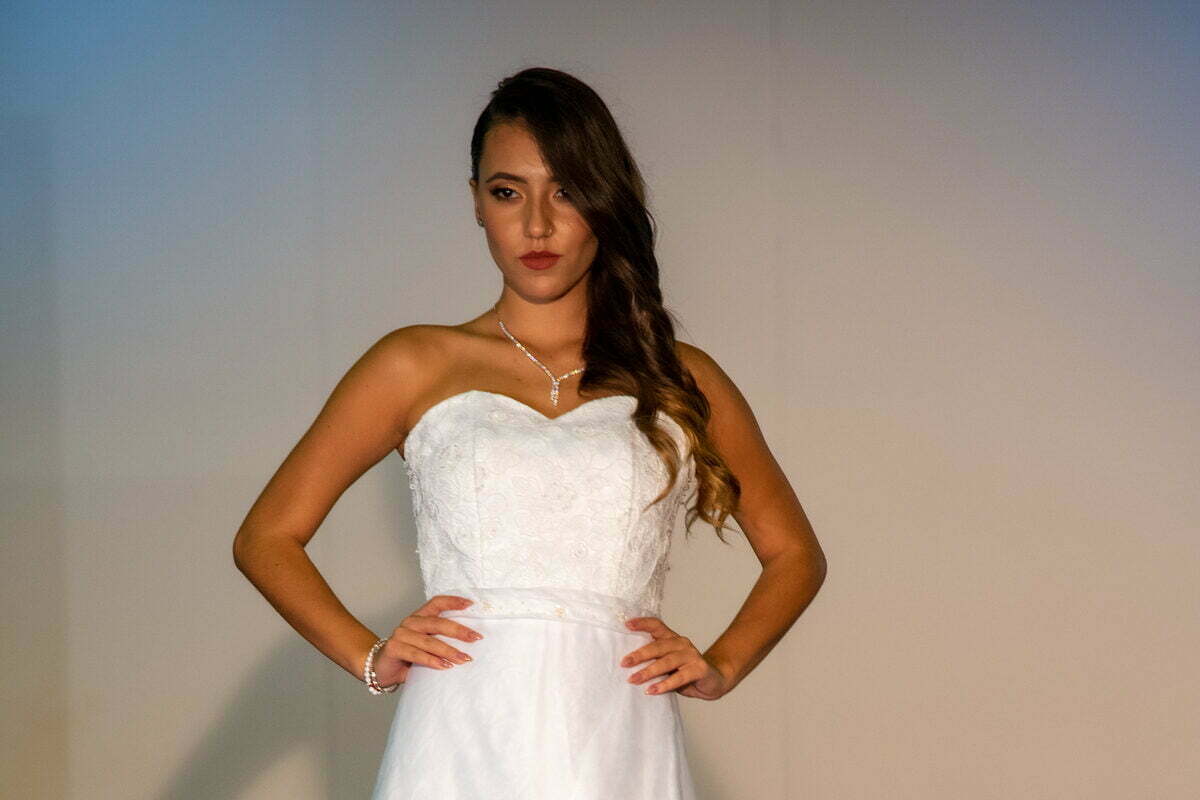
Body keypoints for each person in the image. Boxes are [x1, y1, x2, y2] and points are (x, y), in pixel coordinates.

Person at [233, 66, 827, 799]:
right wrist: (368, 655)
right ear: (476, 204)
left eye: (566, 191)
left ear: (605, 201)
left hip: (618, 728)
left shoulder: (680, 377)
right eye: (507, 192)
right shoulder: (414, 363)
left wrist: (723, 664)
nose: (537, 225)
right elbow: (266, 536)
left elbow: (795, 554)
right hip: (458, 727)